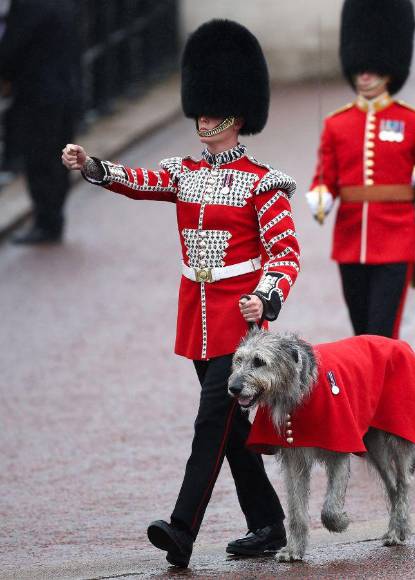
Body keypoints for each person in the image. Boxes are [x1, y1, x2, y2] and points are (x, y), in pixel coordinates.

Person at [61, 20, 299, 567]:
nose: (202, 118)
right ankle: (267, 523)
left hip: (241, 325)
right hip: (199, 317)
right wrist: (94, 167)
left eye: (212, 111)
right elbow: (141, 182)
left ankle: (182, 528)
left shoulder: (263, 181)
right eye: (200, 109)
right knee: (234, 433)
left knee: (211, 421)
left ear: (236, 116)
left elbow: (286, 253)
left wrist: (264, 300)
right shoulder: (184, 173)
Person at [306, 0, 415, 339]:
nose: (365, 74)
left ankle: (382, 394)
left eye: (373, 68)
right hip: (349, 242)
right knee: (361, 337)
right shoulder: (336, 124)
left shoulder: (413, 122)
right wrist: (320, 195)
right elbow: (325, 176)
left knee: (381, 337)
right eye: (360, 68)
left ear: (390, 69)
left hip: (396, 241)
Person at [0, 0, 80, 244]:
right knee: (59, 156)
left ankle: (47, 223)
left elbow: (13, 44)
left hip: (39, 92)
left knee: (40, 157)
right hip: (67, 88)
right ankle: (52, 219)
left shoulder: (28, 5)